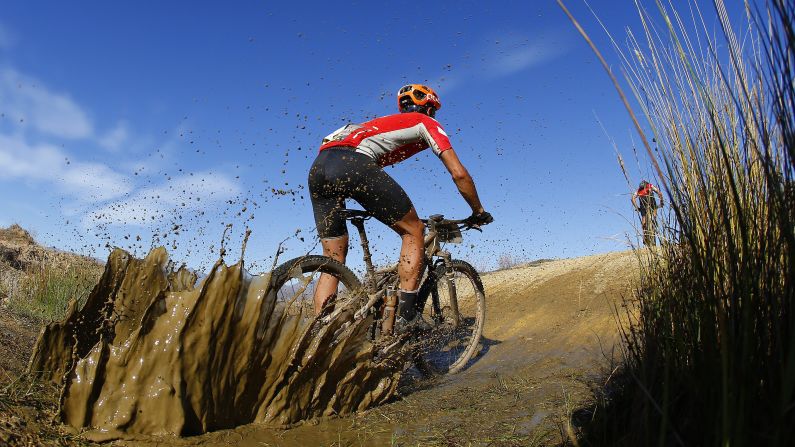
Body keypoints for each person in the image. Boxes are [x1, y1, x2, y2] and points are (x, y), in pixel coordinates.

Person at [307, 84, 493, 325]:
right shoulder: (425, 122)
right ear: (429, 107)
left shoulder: (372, 126)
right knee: (413, 230)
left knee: (333, 257)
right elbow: (459, 174)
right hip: (352, 163)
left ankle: (319, 330)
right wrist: (478, 211)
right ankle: (406, 318)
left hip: (318, 168)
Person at [631, 180, 664, 246]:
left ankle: (645, 235)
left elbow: (632, 198)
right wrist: (661, 202)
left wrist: (637, 207)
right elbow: (659, 193)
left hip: (643, 205)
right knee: (654, 214)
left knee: (643, 221)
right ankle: (654, 222)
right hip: (652, 204)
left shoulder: (638, 190)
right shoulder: (650, 186)